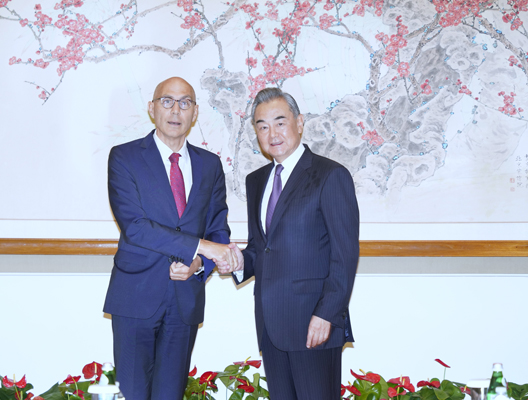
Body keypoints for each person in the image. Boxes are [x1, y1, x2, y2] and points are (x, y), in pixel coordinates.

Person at [103, 77, 235, 400]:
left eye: (185, 102)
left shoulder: (210, 165)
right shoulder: (124, 158)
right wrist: (202, 246)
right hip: (135, 297)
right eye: (167, 101)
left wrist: (199, 264)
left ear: (195, 112)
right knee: (132, 394)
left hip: (184, 301)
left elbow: (218, 229)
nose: (176, 110)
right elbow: (135, 227)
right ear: (151, 108)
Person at [223, 87, 359, 400]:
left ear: (299, 123)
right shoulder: (256, 181)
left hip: (314, 323)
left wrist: (327, 314)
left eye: (280, 122)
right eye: (262, 126)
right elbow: (262, 248)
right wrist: (240, 262)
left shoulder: (330, 175)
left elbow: (345, 254)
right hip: (271, 324)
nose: (272, 133)